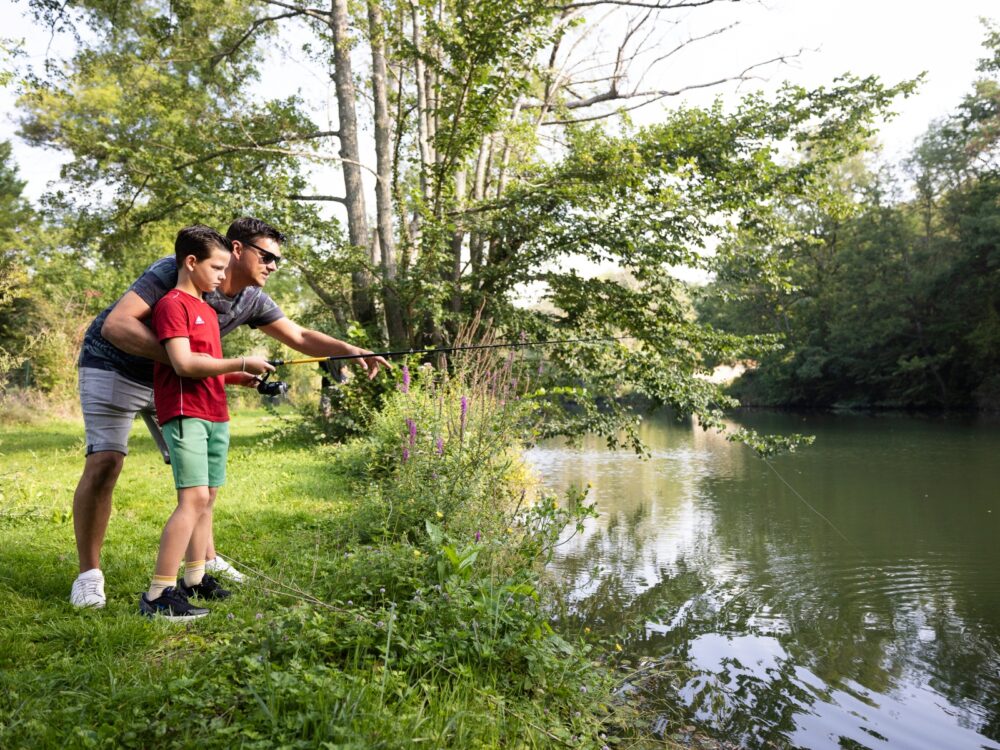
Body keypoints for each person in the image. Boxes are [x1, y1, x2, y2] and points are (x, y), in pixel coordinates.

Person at [70, 217, 389, 608]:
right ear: (237, 250)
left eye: (278, 261)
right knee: (105, 463)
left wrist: (351, 350)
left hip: (178, 380)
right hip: (114, 365)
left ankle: (201, 565)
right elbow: (117, 326)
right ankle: (89, 576)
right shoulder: (174, 272)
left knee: (200, 480)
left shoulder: (250, 298)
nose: (272, 266)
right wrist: (183, 358)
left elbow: (300, 336)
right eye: (267, 256)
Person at [140, 225, 273, 619]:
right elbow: (182, 363)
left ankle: (195, 579)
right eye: (216, 267)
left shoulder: (207, 310)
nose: (222, 275)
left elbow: (207, 366)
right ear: (191, 262)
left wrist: (236, 377)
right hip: (186, 412)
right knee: (193, 498)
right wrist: (241, 361)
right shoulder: (172, 305)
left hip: (215, 412)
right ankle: (157, 595)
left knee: (208, 498)